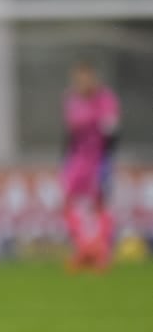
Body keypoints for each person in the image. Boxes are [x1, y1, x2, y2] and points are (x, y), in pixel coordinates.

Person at [61, 61, 119, 271]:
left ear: (93, 78)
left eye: (86, 77)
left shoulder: (105, 100)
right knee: (68, 202)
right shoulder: (72, 100)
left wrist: (106, 162)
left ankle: (101, 251)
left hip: (98, 157)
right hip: (77, 157)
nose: (82, 82)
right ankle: (83, 249)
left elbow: (111, 133)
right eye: (78, 78)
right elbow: (70, 134)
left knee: (99, 202)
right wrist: (66, 159)